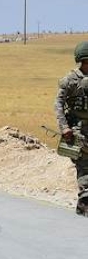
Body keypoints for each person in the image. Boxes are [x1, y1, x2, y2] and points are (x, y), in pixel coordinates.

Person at [54, 41, 88, 214]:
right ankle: (85, 201)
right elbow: (58, 104)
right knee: (84, 164)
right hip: (78, 131)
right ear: (84, 60)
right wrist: (64, 127)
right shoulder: (70, 80)